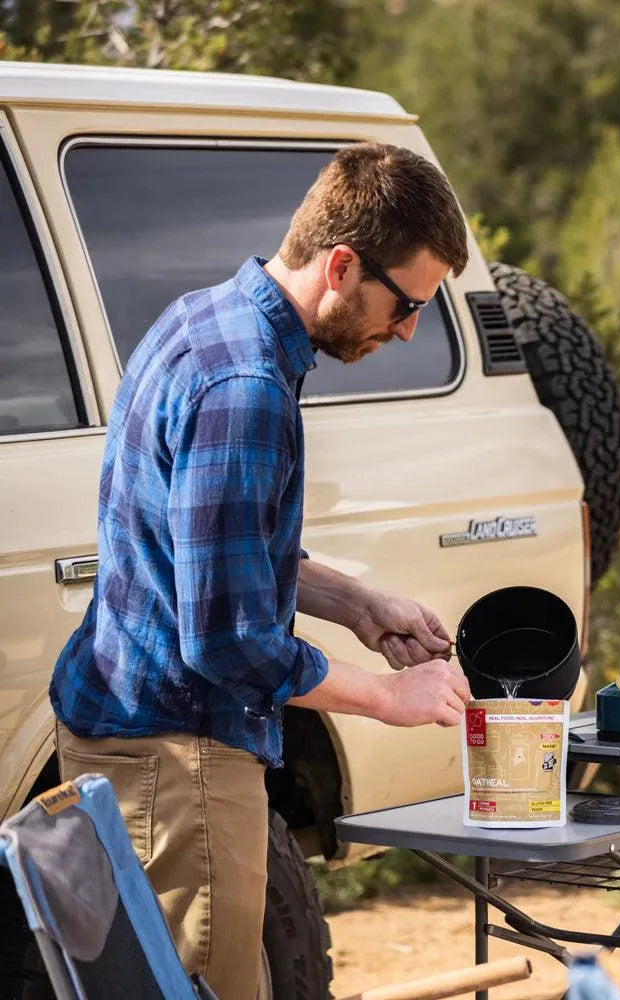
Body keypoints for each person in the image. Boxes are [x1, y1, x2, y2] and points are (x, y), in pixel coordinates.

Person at [50, 141, 474, 1000]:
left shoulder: (200, 320)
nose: (407, 329)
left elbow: (211, 553)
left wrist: (357, 602)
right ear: (344, 263)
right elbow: (228, 641)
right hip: (180, 763)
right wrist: (386, 697)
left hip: (129, 741)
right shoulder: (245, 384)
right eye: (406, 304)